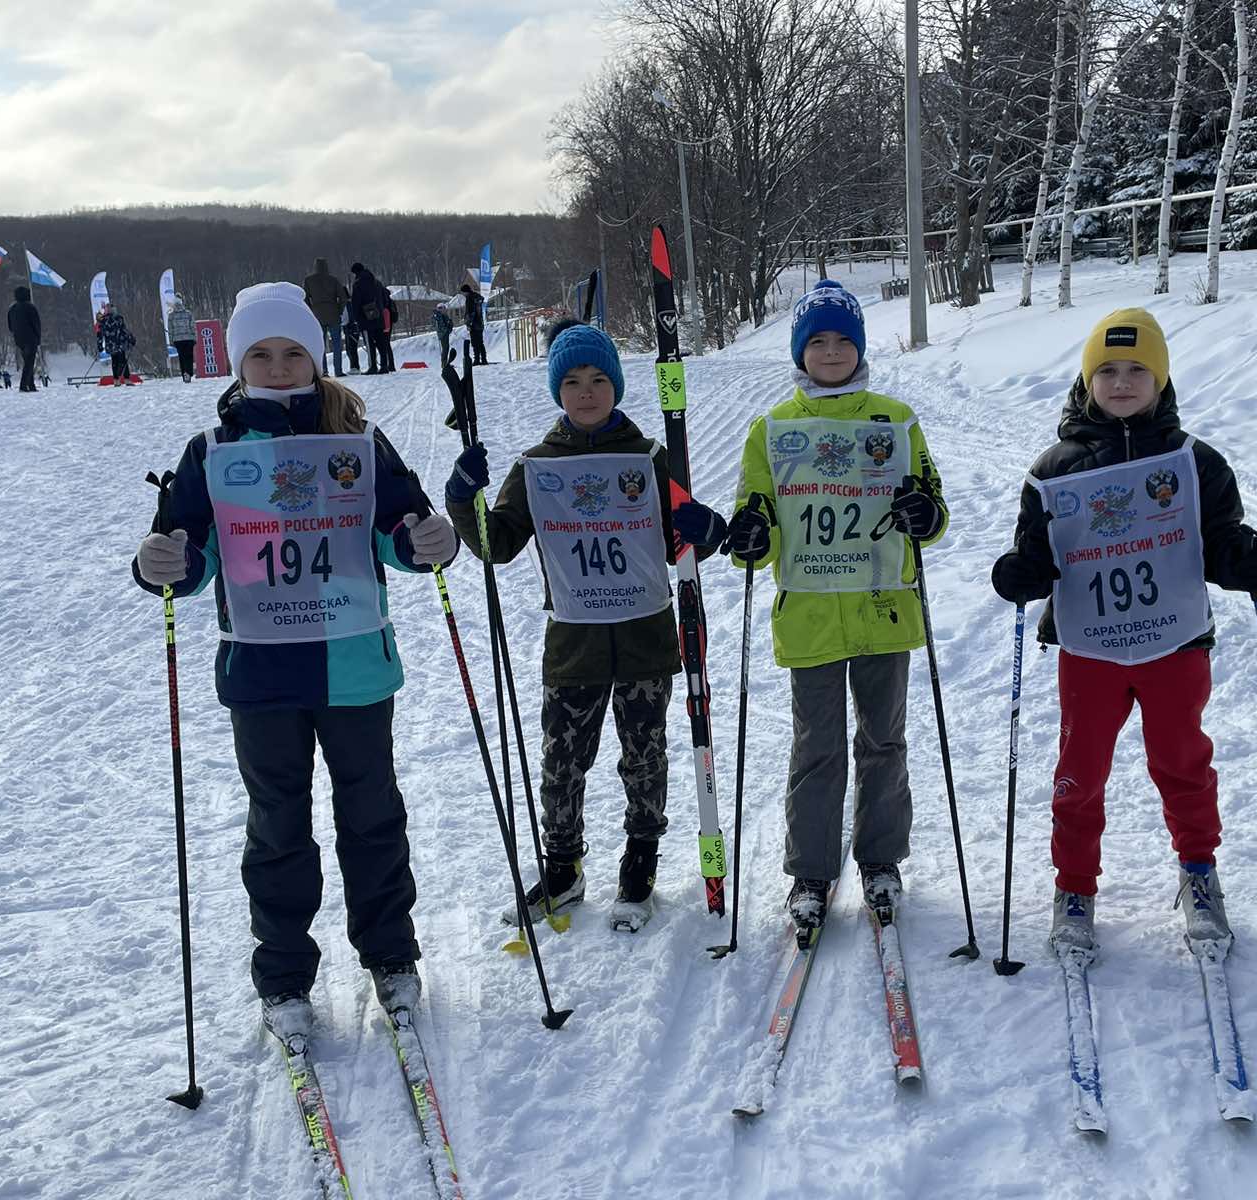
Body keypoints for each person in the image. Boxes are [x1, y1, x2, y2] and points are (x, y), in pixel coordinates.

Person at [131, 281, 459, 1031]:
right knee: (278, 824)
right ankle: (283, 974)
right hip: (263, 672)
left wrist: (426, 542)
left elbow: (398, 529)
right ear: (240, 364)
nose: (278, 367)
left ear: (314, 357)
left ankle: (391, 956)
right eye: (261, 354)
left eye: (291, 353)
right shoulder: (212, 451)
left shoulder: (356, 442)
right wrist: (161, 562)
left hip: (354, 666)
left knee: (371, 814)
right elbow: (189, 551)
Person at [990, 308, 1257, 959]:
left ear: (1161, 378)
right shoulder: (1054, 470)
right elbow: (1037, 553)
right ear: (1088, 379)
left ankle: (1199, 873)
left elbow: (1220, 541)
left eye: (1137, 371)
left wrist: (1246, 561)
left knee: (1182, 761)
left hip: (1173, 642)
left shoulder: (1193, 462)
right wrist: (1022, 573)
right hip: (1090, 649)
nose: (1122, 383)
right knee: (1080, 770)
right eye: (1108, 371)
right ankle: (1074, 889)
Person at [445, 320, 728, 932]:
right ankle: (563, 865)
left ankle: (640, 858)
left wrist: (709, 532)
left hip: (645, 639)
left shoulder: (650, 459)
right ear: (557, 390)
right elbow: (498, 546)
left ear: (616, 385)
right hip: (574, 643)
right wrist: (464, 502)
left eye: (599, 379)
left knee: (644, 755)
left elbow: (683, 541)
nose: (586, 392)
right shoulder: (538, 466)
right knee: (562, 761)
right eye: (572, 381)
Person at [723, 280, 949, 933]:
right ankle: (811, 871)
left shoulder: (896, 420)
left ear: (859, 347)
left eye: (842, 340)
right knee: (815, 748)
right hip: (812, 612)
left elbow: (932, 508)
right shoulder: (773, 430)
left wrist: (923, 512)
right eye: (816, 341)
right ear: (800, 350)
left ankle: (881, 861)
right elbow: (755, 513)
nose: (829, 351)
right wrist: (752, 533)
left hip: (883, 609)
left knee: (883, 740)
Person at [303, 257, 350, 377]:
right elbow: (343, 297)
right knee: (337, 344)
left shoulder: (309, 280)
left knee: (320, 345)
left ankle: (323, 371)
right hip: (333, 313)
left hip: (317, 314)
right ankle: (338, 370)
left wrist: (311, 310)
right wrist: (339, 310)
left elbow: (305, 298)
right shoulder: (333, 280)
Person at [350, 263, 394, 374]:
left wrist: (356, 318)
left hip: (365, 318)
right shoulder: (377, 282)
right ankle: (384, 365)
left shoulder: (357, 284)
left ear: (355, 272)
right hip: (379, 317)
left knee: (369, 343)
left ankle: (373, 366)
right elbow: (385, 299)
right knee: (381, 342)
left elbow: (355, 303)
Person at [6, 285, 42, 392]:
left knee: (27, 361)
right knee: (29, 362)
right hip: (31, 338)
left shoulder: (12, 309)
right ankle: (24, 385)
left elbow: (10, 326)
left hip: (19, 339)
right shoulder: (30, 307)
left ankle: (31, 385)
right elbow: (36, 324)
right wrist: (38, 337)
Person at [98, 301, 136, 385]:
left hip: (112, 344)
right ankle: (125, 379)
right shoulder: (116, 319)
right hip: (118, 344)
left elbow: (100, 334)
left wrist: (100, 345)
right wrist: (131, 338)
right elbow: (124, 330)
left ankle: (116, 380)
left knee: (115, 361)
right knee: (122, 360)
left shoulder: (104, 320)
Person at [166, 294, 198, 382]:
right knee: (189, 356)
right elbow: (193, 326)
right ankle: (188, 373)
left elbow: (170, 329)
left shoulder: (171, 316)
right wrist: (195, 337)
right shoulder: (188, 313)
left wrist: (171, 340)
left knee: (182, 357)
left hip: (178, 340)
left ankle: (184, 373)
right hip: (188, 338)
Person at [460, 283, 487, 366]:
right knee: (480, 342)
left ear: (465, 292)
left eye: (463, 292)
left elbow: (470, 312)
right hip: (480, 323)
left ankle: (477, 360)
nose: (463, 294)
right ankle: (484, 359)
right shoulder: (477, 297)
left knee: (475, 343)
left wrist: (468, 323)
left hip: (474, 324)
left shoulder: (469, 299)